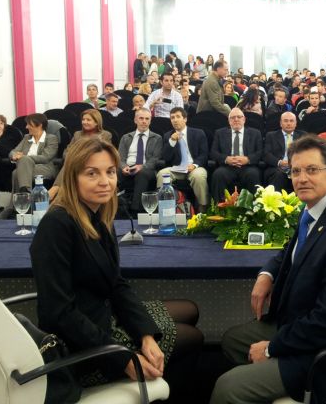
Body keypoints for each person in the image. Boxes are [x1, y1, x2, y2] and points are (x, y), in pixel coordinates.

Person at [211, 135, 326, 404]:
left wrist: (272, 348)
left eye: (312, 170)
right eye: (296, 171)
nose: (301, 179)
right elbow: (292, 251)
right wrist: (267, 274)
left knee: (227, 388)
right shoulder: (316, 208)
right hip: (304, 323)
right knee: (233, 340)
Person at [30, 137, 203, 401]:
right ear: (73, 178)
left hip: (102, 315)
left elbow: (116, 283)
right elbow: (58, 313)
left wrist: (145, 335)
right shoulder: (56, 226)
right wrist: (122, 358)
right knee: (192, 337)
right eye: (92, 173)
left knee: (190, 310)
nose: (105, 181)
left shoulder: (99, 215)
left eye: (110, 172)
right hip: (80, 347)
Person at [48, 109, 113, 201]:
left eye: (88, 120)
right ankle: (60, 197)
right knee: (71, 162)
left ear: (96, 122)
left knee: (70, 164)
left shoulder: (105, 135)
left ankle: (55, 190)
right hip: (76, 162)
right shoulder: (78, 134)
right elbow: (68, 150)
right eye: (83, 119)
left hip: (95, 163)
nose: (84, 122)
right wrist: (72, 157)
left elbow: (105, 152)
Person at [158, 107, 209, 213]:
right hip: (177, 168)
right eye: (172, 118)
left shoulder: (198, 133)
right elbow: (166, 158)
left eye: (178, 117)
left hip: (195, 167)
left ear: (185, 119)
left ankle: (202, 207)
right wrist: (172, 141)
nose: (175, 120)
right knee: (162, 174)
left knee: (198, 176)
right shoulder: (168, 136)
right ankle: (165, 209)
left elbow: (204, 154)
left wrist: (194, 165)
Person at [210, 108, 263, 204]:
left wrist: (248, 159)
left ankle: (253, 207)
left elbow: (260, 152)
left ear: (244, 119)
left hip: (248, 166)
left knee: (253, 175)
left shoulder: (255, 133)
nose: (236, 119)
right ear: (229, 121)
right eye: (233, 117)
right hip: (227, 167)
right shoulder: (219, 133)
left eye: (239, 117)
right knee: (218, 175)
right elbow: (213, 152)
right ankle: (220, 207)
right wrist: (226, 159)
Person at [117, 108, 163, 217]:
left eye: (147, 119)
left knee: (142, 174)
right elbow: (120, 158)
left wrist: (141, 167)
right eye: (141, 118)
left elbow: (155, 158)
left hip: (147, 169)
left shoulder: (157, 138)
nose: (144, 121)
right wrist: (123, 167)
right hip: (128, 167)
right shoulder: (126, 137)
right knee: (112, 171)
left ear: (150, 121)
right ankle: (111, 207)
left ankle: (135, 211)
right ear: (135, 120)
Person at [9, 113, 58, 193]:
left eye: (29, 124)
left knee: (17, 172)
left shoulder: (51, 138)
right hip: (25, 167)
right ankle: (26, 192)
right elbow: (13, 151)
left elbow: (45, 157)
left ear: (39, 125)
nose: (26, 127)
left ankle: (22, 197)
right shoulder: (26, 137)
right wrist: (14, 155)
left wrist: (24, 157)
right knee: (17, 171)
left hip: (45, 167)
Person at [263, 112, 305, 192]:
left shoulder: (303, 136)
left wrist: (296, 163)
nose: (288, 123)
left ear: (296, 123)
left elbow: (307, 154)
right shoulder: (271, 135)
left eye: (291, 121)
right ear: (280, 123)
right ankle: (275, 198)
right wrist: (279, 162)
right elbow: (266, 154)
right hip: (277, 167)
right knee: (279, 175)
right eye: (285, 121)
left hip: (298, 166)